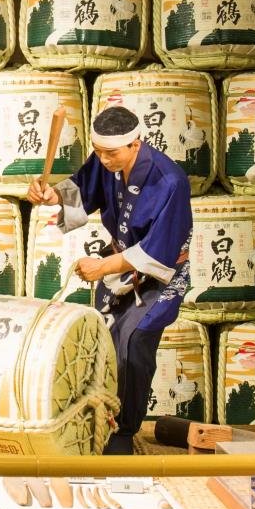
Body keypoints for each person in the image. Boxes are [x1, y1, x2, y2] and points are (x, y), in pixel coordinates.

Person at [29, 105, 193, 455]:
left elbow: (160, 250)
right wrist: (51, 196)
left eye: (111, 153)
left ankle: (123, 434)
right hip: (120, 265)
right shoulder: (107, 162)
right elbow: (82, 191)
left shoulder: (170, 181)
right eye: (98, 151)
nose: (103, 160)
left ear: (136, 144)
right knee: (104, 344)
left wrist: (101, 268)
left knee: (133, 344)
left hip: (159, 276)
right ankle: (97, 422)